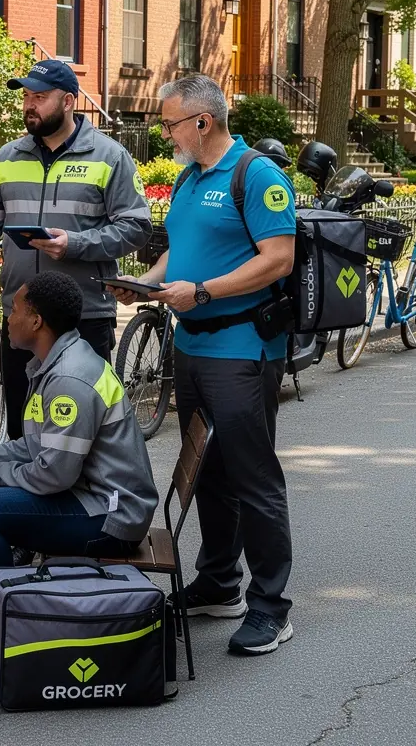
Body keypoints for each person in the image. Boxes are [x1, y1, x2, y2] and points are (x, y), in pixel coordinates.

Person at [112, 74, 296, 656]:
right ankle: (221, 584)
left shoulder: (257, 176)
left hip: (240, 349)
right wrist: (147, 282)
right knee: (207, 473)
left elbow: (278, 260)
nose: (164, 133)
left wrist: (205, 292)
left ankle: (271, 607)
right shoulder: (190, 178)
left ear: (202, 122)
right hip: (191, 348)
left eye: (168, 123)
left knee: (253, 478)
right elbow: (179, 249)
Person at [0, 272, 158, 676]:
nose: (7, 316)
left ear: (37, 321)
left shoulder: (68, 379)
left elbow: (52, 476)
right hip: (86, 491)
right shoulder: (54, 363)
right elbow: (33, 447)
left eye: (15, 309)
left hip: (111, 515)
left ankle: (0, 630)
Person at [0, 59, 151, 441]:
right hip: (21, 319)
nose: (29, 105)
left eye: (40, 97)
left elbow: (136, 227)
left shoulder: (109, 156)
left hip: (84, 316)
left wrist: (74, 244)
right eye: (26, 96)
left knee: (87, 430)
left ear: (69, 101)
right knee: (24, 430)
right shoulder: (8, 157)